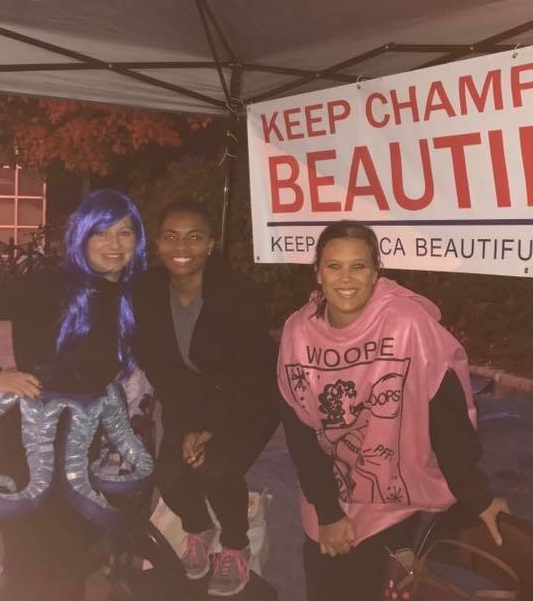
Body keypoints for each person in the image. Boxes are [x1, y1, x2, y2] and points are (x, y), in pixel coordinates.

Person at [0, 189, 150, 601]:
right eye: (101, 233)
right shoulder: (48, 284)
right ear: (82, 236)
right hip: (23, 436)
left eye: (125, 232)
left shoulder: (133, 293)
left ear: (138, 239)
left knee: (69, 555)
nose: (114, 244)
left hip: (79, 437)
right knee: (30, 557)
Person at [277, 220, 510, 601]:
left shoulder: (407, 325)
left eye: (359, 266)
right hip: (326, 496)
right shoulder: (299, 333)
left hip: (392, 503)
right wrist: (329, 511)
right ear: (317, 272)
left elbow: (446, 417)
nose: (346, 278)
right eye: (334, 266)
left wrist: (476, 495)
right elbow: (300, 430)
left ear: (375, 272)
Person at [134, 200, 279, 597]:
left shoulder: (237, 293)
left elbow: (250, 371)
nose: (182, 247)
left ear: (211, 244)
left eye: (194, 237)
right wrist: (186, 424)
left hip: (249, 400)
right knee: (168, 475)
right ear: (158, 242)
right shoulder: (146, 290)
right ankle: (198, 528)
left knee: (215, 469)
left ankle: (235, 543)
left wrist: (210, 427)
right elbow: (158, 365)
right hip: (187, 401)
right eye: (171, 236)